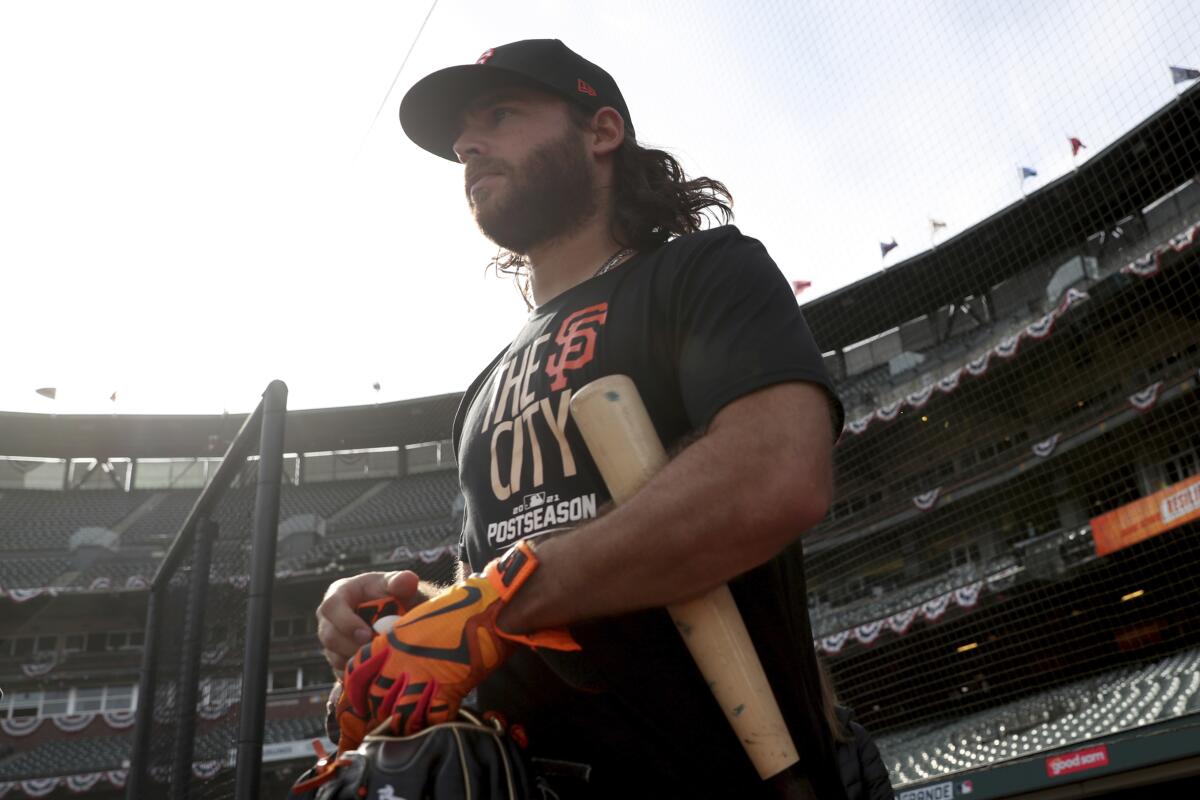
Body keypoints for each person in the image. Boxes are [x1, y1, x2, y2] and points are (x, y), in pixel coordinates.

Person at [315, 39, 847, 799]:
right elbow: (491, 581)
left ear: (602, 132)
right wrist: (413, 617)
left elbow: (776, 476)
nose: (467, 145)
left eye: (499, 115)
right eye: (463, 137)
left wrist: (493, 604)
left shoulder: (703, 272)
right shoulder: (482, 389)